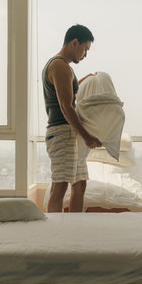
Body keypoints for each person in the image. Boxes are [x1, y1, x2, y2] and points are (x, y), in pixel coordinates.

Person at [43, 24, 102, 213]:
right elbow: (65, 106)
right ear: (74, 43)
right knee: (60, 186)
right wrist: (86, 136)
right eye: (84, 49)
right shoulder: (59, 66)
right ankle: (54, 235)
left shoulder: (63, 67)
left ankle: (74, 228)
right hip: (62, 133)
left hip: (67, 133)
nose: (85, 55)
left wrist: (85, 78)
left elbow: (69, 87)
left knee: (80, 184)